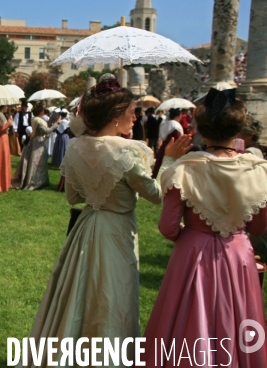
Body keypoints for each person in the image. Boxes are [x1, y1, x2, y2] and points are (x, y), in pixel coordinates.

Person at [25, 78, 191, 366]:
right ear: (115, 116)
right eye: (132, 112)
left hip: (87, 226)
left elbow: (73, 197)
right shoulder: (127, 151)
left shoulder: (77, 147)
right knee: (113, 296)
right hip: (116, 231)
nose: (135, 117)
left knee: (79, 292)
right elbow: (154, 194)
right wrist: (169, 162)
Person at [143, 88, 267, 367]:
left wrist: (196, 227)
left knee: (187, 319)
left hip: (193, 255)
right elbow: (258, 227)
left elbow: (169, 228)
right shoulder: (257, 170)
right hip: (238, 255)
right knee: (237, 320)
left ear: (198, 129)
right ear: (238, 128)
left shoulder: (187, 169)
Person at [12, 104, 59, 190]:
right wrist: (55, 125)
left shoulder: (34, 119)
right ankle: (35, 181)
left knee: (34, 161)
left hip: (34, 140)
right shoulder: (38, 120)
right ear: (41, 112)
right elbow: (46, 131)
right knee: (37, 161)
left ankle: (35, 181)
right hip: (38, 141)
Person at [152, 108, 184, 178]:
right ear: (178, 116)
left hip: (163, 147)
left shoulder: (165, 124)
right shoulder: (175, 125)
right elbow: (178, 139)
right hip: (173, 149)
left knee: (160, 165)